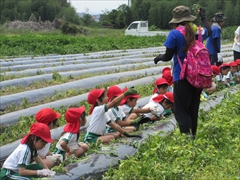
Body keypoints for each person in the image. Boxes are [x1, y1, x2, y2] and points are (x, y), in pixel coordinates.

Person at [153, 6, 212, 138]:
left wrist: (158, 57)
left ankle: (186, 138)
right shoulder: (197, 31)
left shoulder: (175, 34)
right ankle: (194, 136)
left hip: (182, 77)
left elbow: (168, 56)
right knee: (193, 109)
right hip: (198, 78)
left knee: (181, 111)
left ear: (176, 21)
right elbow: (209, 30)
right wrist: (203, 16)